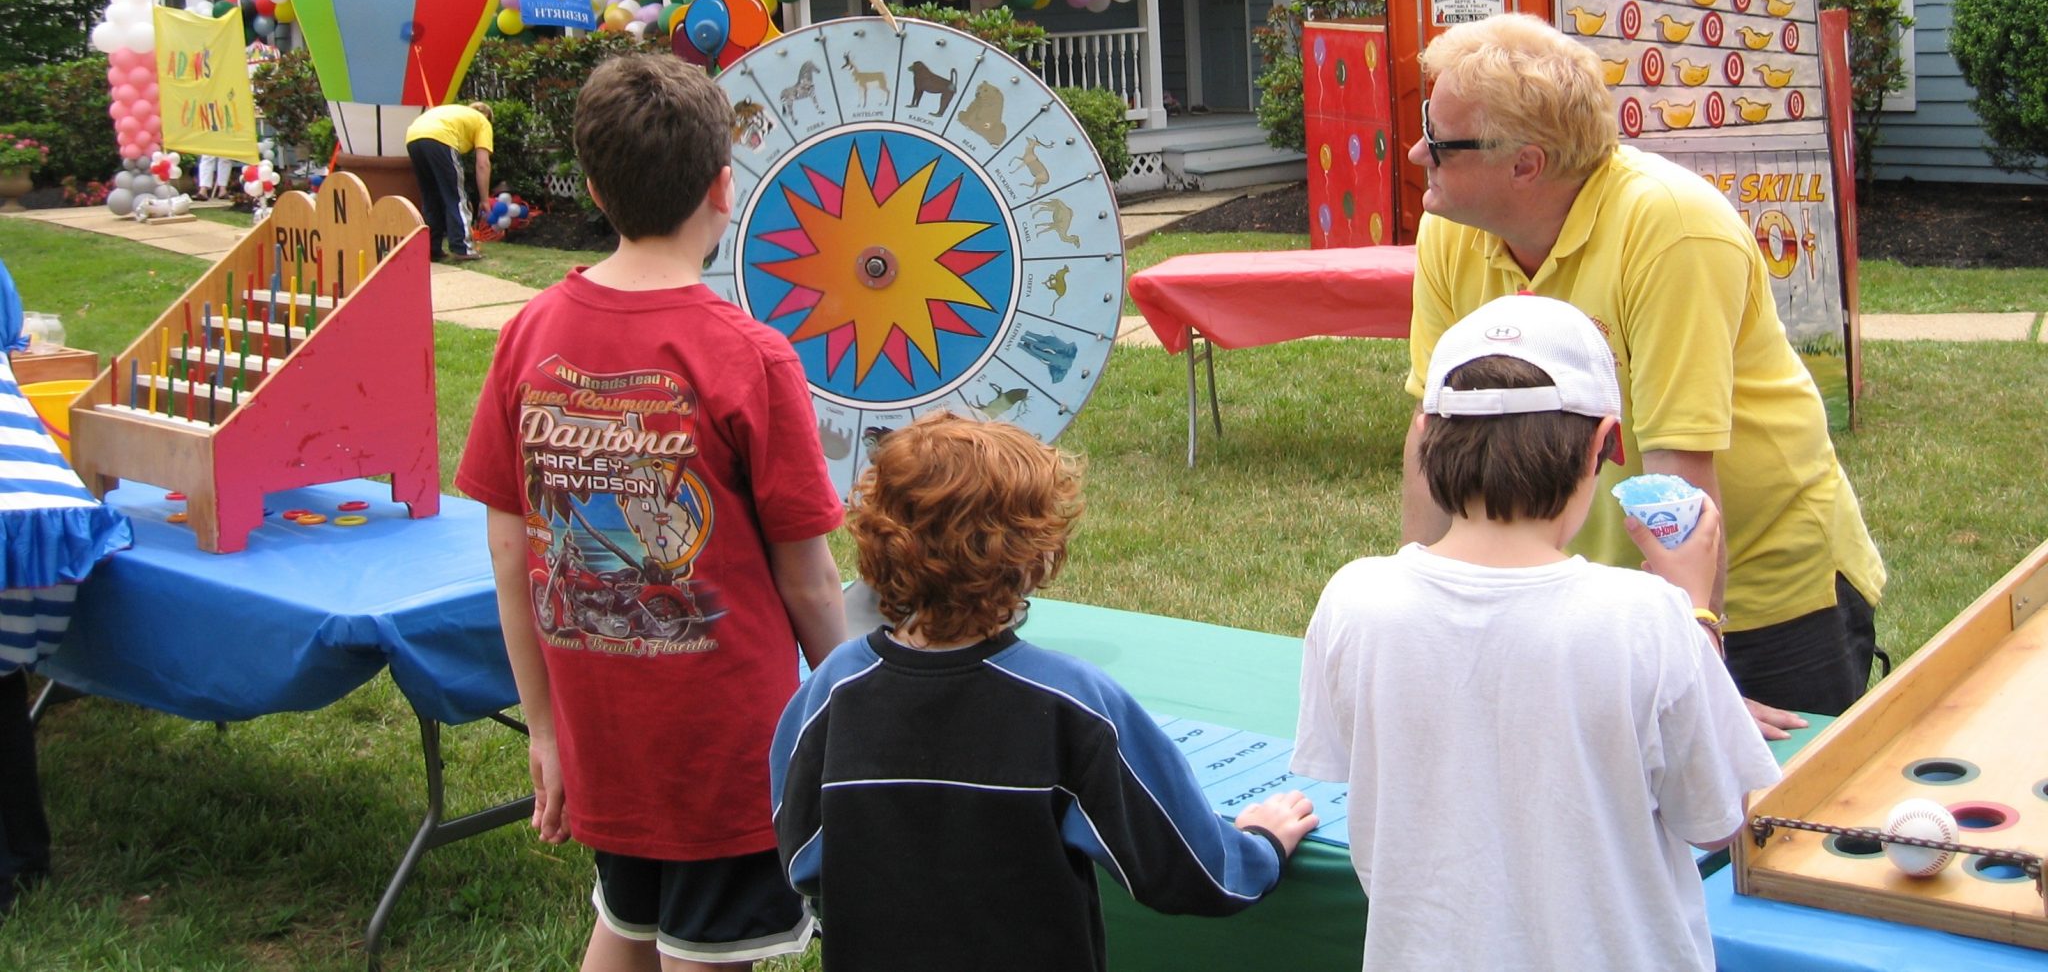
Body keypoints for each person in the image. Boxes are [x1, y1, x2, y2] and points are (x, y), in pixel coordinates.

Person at [458, 56, 847, 971]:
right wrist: (854, 713)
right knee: (696, 950)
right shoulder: (750, 355)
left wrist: (545, 730)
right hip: (724, 757)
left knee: (627, 928)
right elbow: (811, 578)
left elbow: (511, 555)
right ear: (724, 185)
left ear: (593, 187)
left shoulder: (529, 332)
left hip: (601, 735)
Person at [1398, 14, 1884, 726]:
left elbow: (1679, 478)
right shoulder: (1451, 229)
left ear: (1525, 164)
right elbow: (1433, 432)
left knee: (1770, 819)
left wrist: (1696, 675)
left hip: (1758, 595)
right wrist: (1422, 612)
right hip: (1589, 592)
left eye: (1440, 142)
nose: (1417, 152)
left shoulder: (1671, 229)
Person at [1296, 293, 1782, 972]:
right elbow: (1720, 815)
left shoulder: (1354, 599)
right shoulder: (1647, 618)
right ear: (1605, 443)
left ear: (1425, 435)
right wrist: (1696, 611)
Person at [770, 412, 1316, 972]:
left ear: (876, 537)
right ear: (1034, 556)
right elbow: (1190, 871)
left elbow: (801, 858)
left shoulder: (832, 691)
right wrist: (1261, 845)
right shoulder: (1073, 704)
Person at [404, 101, 493, 261]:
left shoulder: (455, 112)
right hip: (441, 138)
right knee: (457, 197)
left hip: (413, 137)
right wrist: (484, 200)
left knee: (431, 197)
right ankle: (462, 248)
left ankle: (431, 248)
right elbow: (483, 163)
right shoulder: (482, 121)